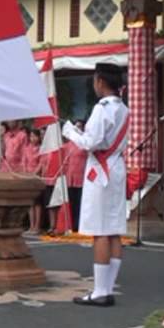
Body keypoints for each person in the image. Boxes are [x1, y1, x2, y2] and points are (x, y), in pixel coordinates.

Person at [62, 63, 129, 308]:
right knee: (113, 230)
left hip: (101, 169)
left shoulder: (102, 109)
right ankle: (107, 288)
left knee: (100, 230)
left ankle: (101, 291)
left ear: (100, 81)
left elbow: (92, 142)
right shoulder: (123, 108)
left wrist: (70, 132)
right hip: (116, 167)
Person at [66, 126, 88, 232]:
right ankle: (72, 225)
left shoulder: (84, 145)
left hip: (81, 177)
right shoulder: (69, 144)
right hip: (70, 177)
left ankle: (80, 225)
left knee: (80, 203)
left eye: (79, 127)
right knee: (72, 203)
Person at [23, 129, 44, 234]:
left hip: (37, 177)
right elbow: (24, 162)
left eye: (35, 136)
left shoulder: (41, 149)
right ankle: (31, 226)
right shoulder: (26, 149)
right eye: (31, 136)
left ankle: (37, 226)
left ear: (39, 137)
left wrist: (35, 173)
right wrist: (26, 173)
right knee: (30, 203)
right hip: (28, 177)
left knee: (37, 203)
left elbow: (41, 163)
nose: (32, 139)